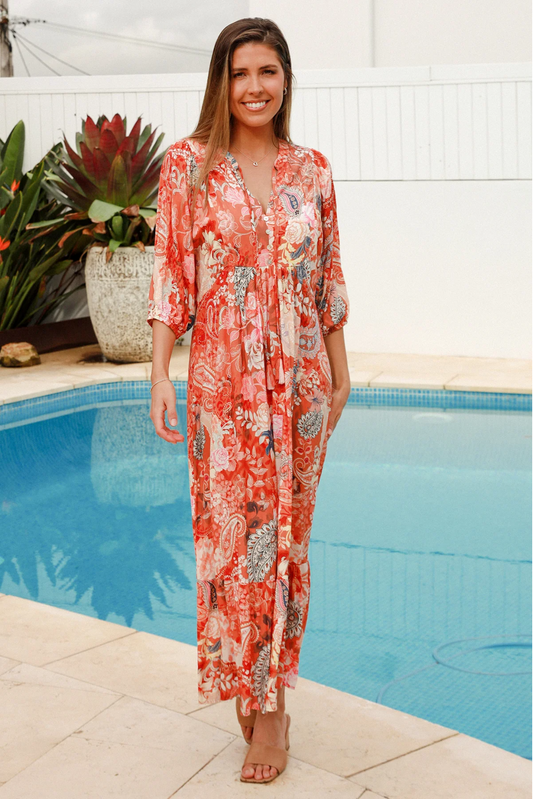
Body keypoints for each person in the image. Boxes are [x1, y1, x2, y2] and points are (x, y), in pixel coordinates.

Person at [147, 17, 350, 785]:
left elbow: (327, 279)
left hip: (298, 388)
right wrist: (160, 372)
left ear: (286, 80)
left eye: (268, 71)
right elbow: (172, 277)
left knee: (286, 543)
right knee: (232, 543)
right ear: (220, 82)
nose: (254, 87)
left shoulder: (312, 171)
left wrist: (340, 370)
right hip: (222, 391)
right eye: (240, 74)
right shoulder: (187, 168)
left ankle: (271, 709)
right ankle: (245, 672)